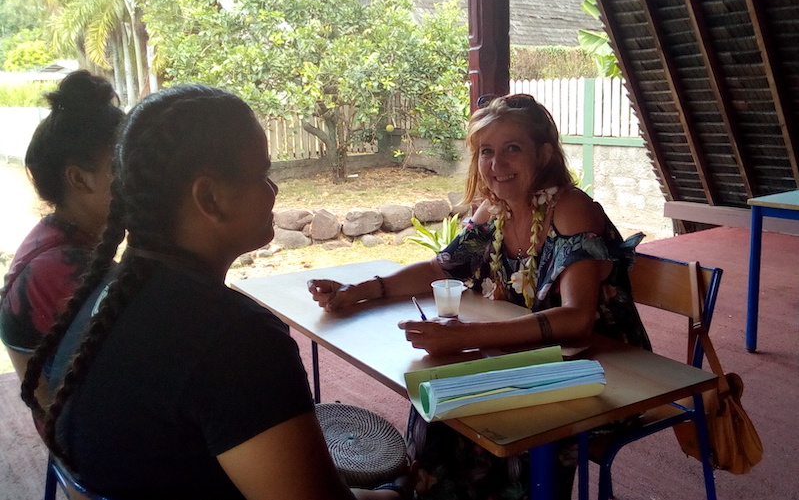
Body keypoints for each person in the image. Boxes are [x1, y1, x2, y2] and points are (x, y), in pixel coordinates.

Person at [20, 85, 405, 500]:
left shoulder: (105, 296)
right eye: (261, 175)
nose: (273, 191)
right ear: (210, 197)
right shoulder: (234, 340)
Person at [308, 93, 651, 499]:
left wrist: (466, 336)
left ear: (542, 155)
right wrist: (361, 291)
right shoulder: (494, 211)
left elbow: (577, 319)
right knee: (440, 396)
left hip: (602, 371)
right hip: (531, 355)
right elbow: (441, 268)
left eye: (512, 149)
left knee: (498, 416)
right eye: (486, 151)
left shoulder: (570, 209)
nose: (496, 164)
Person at [0, 70, 124, 383]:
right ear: (80, 179)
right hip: (73, 426)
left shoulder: (57, 238)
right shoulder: (63, 267)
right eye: (124, 166)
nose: (142, 178)